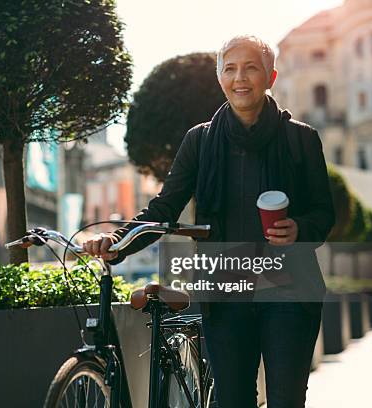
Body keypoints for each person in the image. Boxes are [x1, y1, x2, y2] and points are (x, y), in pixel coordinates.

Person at [82, 35, 335, 407]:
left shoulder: (300, 139)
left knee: (286, 399)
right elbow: (162, 210)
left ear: (271, 76)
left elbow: (323, 213)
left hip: (290, 294)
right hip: (226, 294)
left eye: (251, 67)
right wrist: (116, 244)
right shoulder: (200, 142)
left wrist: (300, 228)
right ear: (220, 79)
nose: (240, 78)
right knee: (232, 400)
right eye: (230, 69)